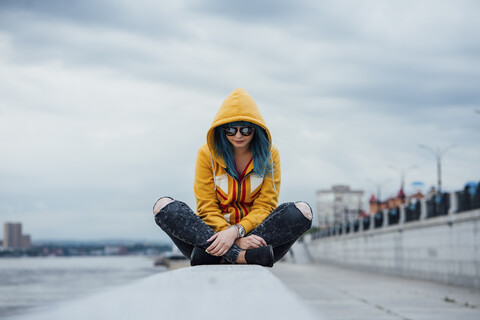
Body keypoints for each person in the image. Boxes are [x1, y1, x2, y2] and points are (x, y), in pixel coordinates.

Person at [153, 88, 313, 267]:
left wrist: (238, 232)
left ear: (256, 129)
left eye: (245, 130)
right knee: (163, 206)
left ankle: (222, 255)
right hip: (221, 241)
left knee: (302, 211)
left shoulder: (270, 155)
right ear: (222, 129)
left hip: (253, 240)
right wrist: (232, 240)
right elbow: (207, 208)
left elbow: (265, 206)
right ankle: (240, 256)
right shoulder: (206, 154)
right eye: (230, 130)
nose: (238, 135)